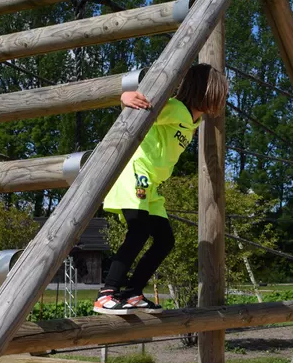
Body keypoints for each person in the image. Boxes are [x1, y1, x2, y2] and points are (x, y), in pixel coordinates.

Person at [94, 63, 228, 315]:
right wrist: (124, 97)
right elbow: (143, 107)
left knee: (165, 240)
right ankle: (107, 293)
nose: (223, 99)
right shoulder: (176, 109)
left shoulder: (194, 120)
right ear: (204, 91)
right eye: (220, 93)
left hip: (152, 185)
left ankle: (133, 292)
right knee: (139, 231)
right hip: (136, 174)